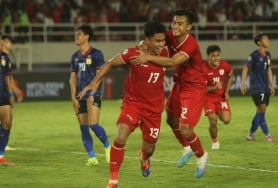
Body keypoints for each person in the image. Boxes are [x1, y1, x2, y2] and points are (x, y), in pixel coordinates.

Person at [78, 20, 168, 188]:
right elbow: (110, 63)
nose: (162, 44)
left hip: (154, 109)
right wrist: (93, 83)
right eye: (157, 41)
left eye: (163, 41)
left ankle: (144, 158)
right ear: (147, 40)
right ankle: (113, 181)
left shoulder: (166, 54)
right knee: (120, 136)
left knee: (149, 146)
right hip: (132, 103)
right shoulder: (133, 53)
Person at [131, 9, 209, 178]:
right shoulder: (170, 35)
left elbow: (173, 61)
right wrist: (142, 45)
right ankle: (187, 147)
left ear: (189, 27)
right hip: (180, 84)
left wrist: (148, 58)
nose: (175, 26)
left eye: (180, 24)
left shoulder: (190, 44)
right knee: (170, 119)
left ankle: (202, 156)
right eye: (174, 22)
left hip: (194, 88)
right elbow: (154, 37)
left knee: (186, 128)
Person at [69, 24, 110, 166]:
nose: (77, 36)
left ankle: (107, 147)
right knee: (83, 127)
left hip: (94, 94)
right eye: (76, 33)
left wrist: (92, 92)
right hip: (79, 96)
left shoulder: (97, 54)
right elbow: (72, 78)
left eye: (79, 34)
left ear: (87, 36)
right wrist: (73, 96)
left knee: (93, 124)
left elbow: (100, 75)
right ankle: (92, 157)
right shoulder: (74, 57)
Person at [240, 32, 275, 142]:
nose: (268, 40)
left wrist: (272, 84)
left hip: (265, 87)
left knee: (260, 112)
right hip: (257, 87)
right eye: (265, 38)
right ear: (259, 42)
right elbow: (246, 68)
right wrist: (243, 82)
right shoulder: (254, 55)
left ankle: (250, 135)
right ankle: (268, 135)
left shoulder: (268, 55)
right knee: (262, 110)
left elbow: (269, 69)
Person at [202, 45, 234, 150]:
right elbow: (201, 89)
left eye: (218, 55)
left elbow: (230, 75)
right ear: (208, 57)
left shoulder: (224, 65)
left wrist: (226, 91)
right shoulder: (203, 69)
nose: (216, 58)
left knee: (226, 120)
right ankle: (215, 141)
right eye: (213, 56)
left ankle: (218, 112)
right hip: (208, 99)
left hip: (220, 98)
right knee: (212, 120)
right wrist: (214, 87)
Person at [0, 35, 16, 165]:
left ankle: (1, 156)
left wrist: (11, 94)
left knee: (7, 124)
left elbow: (7, 77)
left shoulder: (4, 58)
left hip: (3, 95)